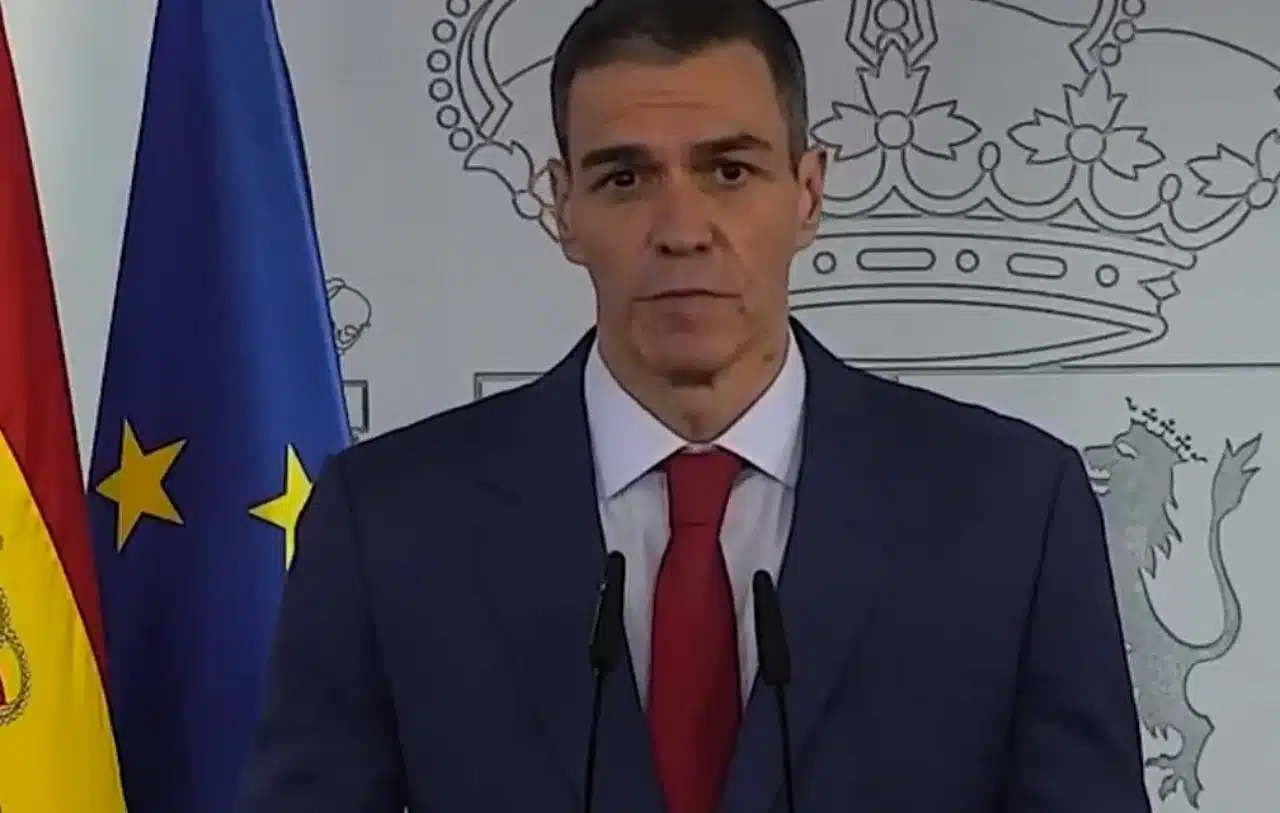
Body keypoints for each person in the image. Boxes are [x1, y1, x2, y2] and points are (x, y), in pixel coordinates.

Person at [236, 0, 1152, 810]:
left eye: (729, 172)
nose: (680, 231)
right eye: (625, 179)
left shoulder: (1013, 510)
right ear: (562, 206)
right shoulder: (388, 522)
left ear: (808, 193)